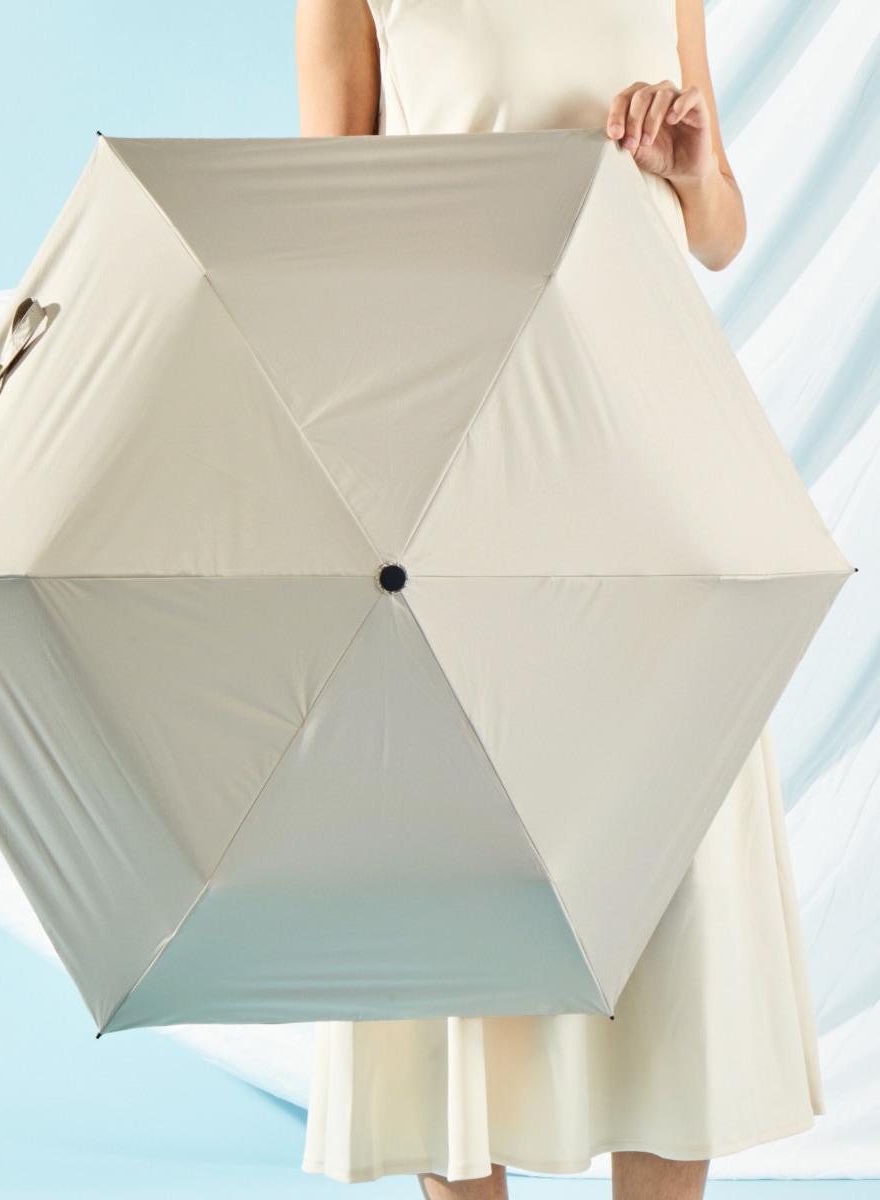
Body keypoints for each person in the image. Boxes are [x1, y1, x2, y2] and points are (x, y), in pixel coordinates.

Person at [295, 2, 824, 1199]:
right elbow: (319, 239)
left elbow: (719, 230)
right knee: (459, 881)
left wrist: (689, 170)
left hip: (651, 465)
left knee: (672, 895)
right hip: (458, 465)